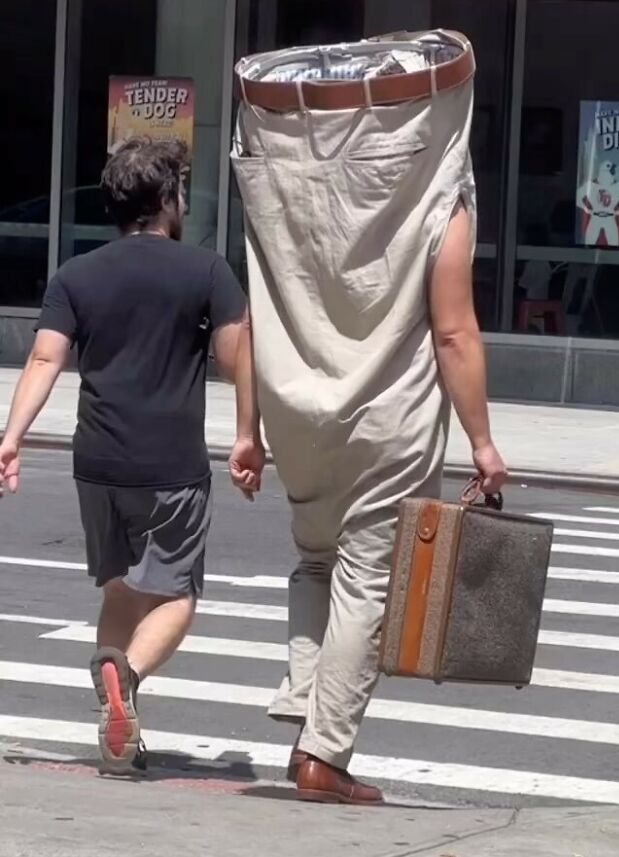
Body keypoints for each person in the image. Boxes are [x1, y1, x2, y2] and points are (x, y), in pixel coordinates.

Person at [230, 31, 507, 805]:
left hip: (294, 408)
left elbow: (258, 314)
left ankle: (304, 713)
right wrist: (482, 440)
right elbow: (454, 330)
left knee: (317, 558)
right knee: (366, 577)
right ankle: (325, 750)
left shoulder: (282, 182)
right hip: (389, 412)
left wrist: (247, 429)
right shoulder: (438, 191)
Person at [0, 137, 264, 775]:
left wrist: (11, 438)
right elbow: (239, 358)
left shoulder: (75, 275)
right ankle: (128, 674)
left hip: (97, 461)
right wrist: (247, 434)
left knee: (120, 589)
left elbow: (44, 358)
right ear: (170, 198)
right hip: (169, 461)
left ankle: (118, 727)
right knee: (175, 595)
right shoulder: (205, 273)